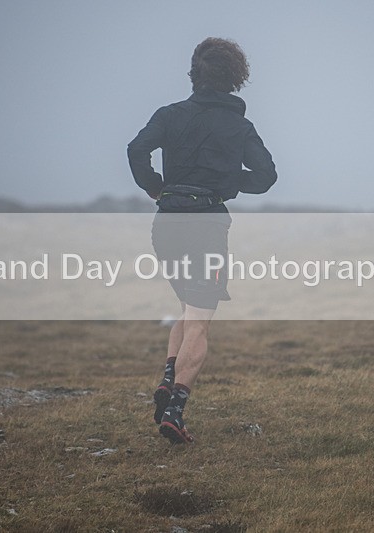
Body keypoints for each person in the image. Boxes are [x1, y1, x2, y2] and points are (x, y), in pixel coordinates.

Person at [127, 37, 277, 444]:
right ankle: (175, 412)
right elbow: (266, 177)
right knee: (199, 321)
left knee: (187, 309)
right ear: (235, 78)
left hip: (166, 223)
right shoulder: (240, 127)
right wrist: (225, 179)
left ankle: (167, 379)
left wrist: (155, 186)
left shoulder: (169, 114)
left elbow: (137, 149)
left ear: (195, 74)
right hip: (207, 225)